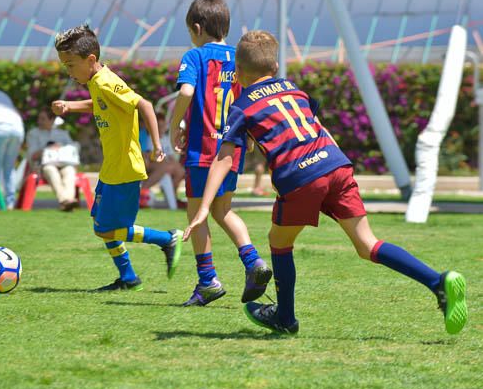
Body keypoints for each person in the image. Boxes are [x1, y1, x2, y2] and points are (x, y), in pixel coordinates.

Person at [185, 30, 468, 335]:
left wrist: (202, 209)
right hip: (336, 165)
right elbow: (315, 127)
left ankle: (285, 318)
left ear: (237, 73)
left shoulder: (241, 105)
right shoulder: (293, 89)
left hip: (300, 175)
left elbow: (224, 158)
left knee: (279, 243)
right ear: (275, 68)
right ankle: (438, 281)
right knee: (367, 244)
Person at [52, 25, 183, 291]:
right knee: (101, 222)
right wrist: (70, 106)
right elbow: (98, 103)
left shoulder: (107, 81)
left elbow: (144, 104)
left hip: (125, 168)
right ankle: (128, 278)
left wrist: (157, 145)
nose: (69, 72)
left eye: (70, 65)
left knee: (107, 229)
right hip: (112, 167)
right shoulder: (97, 82)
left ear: (90, 60)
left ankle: (167, 239)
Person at [169, 0, 272, 306]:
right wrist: (252, 137)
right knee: (222, 210)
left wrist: (175, 125)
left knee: (195, 212)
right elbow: (249, 99)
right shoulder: (239, 58)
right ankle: (253, 262)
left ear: (197, 28)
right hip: (232, 148)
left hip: (203, 149)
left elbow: (187, 91)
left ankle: (208, 280)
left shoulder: (195, 56)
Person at [26, 108, 79, 211]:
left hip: (64, 163)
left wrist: (61, 148)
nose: (39, 122)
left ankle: (66, 201)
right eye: (39, 119)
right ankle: (66, 200)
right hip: (42, 165)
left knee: (70, 170)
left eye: (43, 119)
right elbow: (32, 156)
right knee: (50, 169)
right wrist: (48, 149)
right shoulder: (33, 134)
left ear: (52, 120)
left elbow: (73, 150)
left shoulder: (63, 134)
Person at [139, 112, 185, 209]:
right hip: (154, 165)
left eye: (163, 126)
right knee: (165, 166)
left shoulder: (165, 139)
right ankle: (143, 191)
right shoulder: (149, 138)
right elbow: (149, 156)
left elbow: (171, 157)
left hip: (164, 165)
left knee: (179, 170)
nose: (161, 129)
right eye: (159, 126)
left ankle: (173, 197)